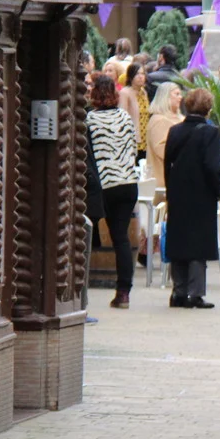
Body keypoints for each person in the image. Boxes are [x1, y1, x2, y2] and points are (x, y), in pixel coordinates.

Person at [163, 88, 220, 309]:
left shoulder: (174, 131)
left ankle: (178, 291)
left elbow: (167, 163)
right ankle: (196, 293)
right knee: (198, 242)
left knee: (179, 239)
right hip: (201, 193)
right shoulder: (210, 132)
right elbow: (212, 165)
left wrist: (170, 190)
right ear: (208, 108)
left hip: (178, 192)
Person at [87, 75, 138, 309]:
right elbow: (133, 149)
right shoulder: (125, 117)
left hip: (104, 184)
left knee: (88, 234)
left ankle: (80, 289)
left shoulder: (90, 119)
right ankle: (123, 292)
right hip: (127, 183)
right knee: (121, 238)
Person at [146, 82, 184, 188]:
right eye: (177, 94)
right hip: (163, 180)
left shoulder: (181, 118)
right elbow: (162, 149)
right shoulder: (158, 120)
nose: (180, 97)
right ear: (165, 96)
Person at [118, 63, 149, 157]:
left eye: (142, 73)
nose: (140, 77)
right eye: (137, 74)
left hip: (145, 137)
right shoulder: (125, 93)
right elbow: (122, 116)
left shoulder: (143, 92)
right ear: (131, 77)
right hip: (132, 138)